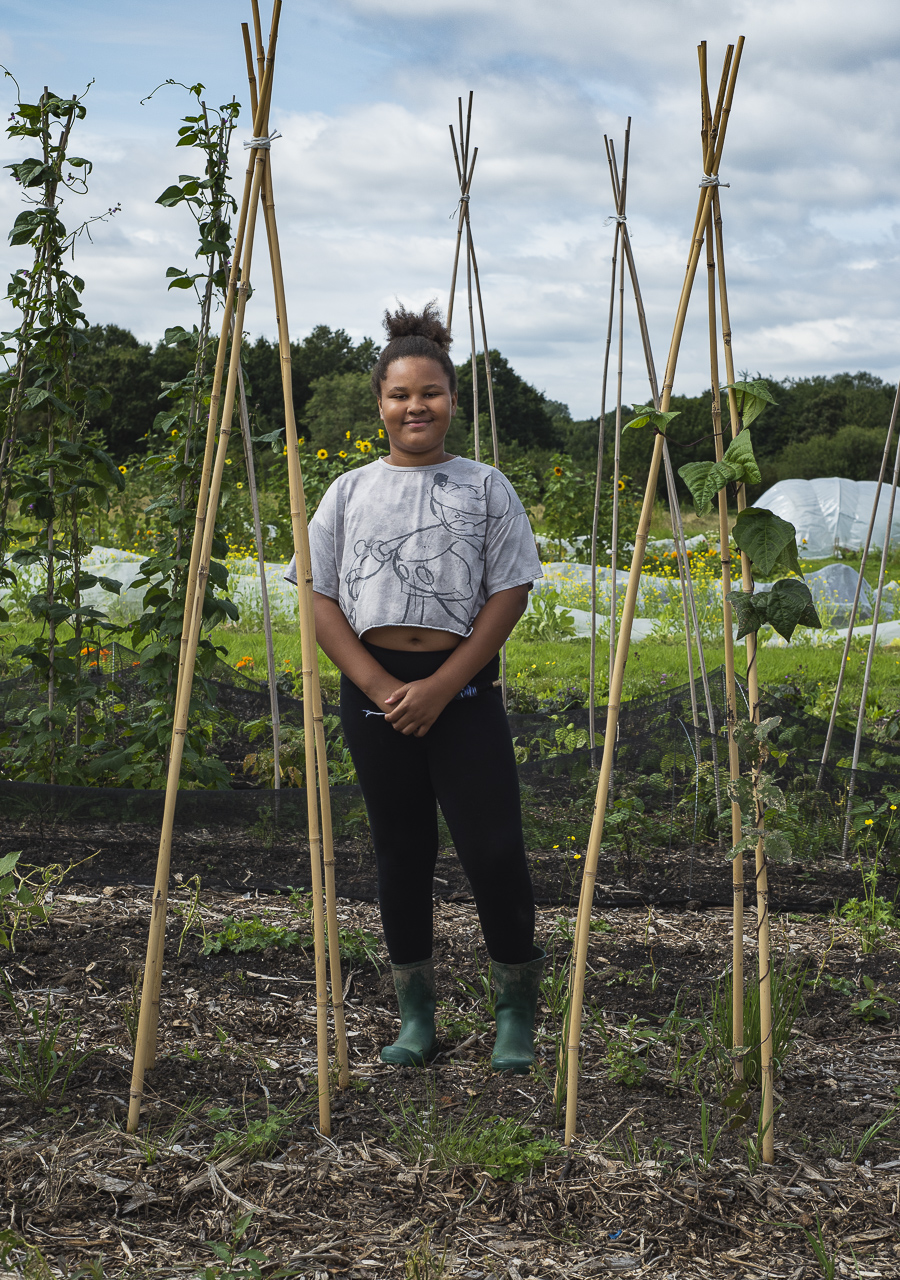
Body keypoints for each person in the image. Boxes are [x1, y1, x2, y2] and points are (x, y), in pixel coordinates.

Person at [288, 301, 544, 1073]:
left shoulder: (486, 487)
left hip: (461, 690)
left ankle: (515, 1016)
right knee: (401, 851)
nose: (415, 406)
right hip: (376, 695)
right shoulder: (348, 492)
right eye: (399, 394)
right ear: (380, 404)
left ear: (452, 400)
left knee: (492, 849)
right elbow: (318, 594)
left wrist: (440, 685)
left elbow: (509, 592)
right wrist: (375, 684)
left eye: (429, 392)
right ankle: (416, 1018)